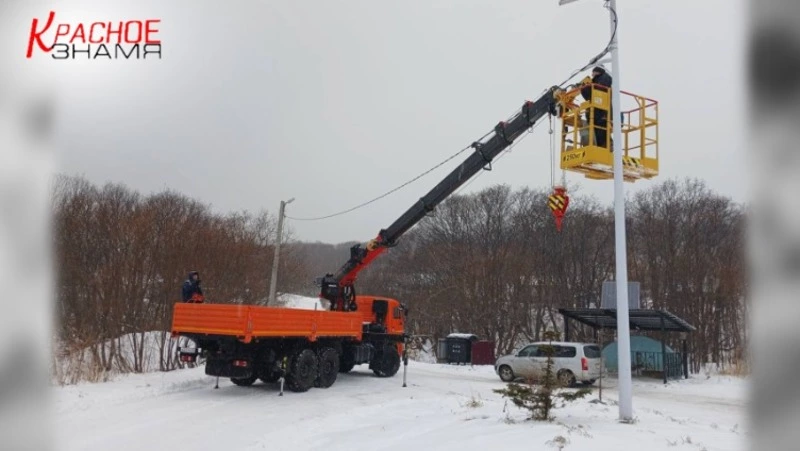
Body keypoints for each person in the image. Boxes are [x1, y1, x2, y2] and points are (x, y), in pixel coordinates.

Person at [580, 65, 613, 149]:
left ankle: (606, 146)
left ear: (598, 71)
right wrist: (583, 88)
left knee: (601, 130)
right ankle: (602, 145)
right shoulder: (595, 81)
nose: (592, 74)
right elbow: (589, 96)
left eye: (593, 72)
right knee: (595, 130)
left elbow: (600, 89)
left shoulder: (605, 77)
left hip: (601, 110)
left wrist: (590, 85)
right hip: (595, 110)